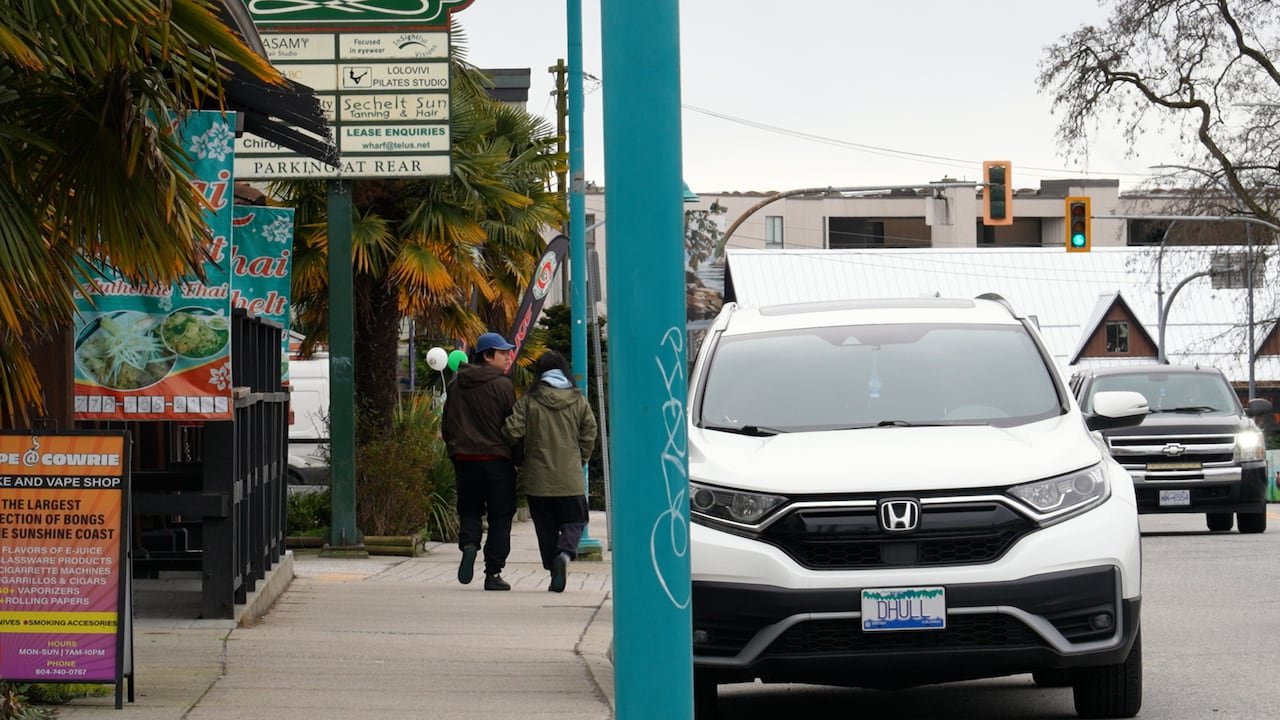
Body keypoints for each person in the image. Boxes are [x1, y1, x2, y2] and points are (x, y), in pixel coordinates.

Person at [502, 350, 598, 593]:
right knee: (576, 520)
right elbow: (590, 431)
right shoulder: (578, 400)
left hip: (537, 479)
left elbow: (511, 430)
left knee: (544, 526)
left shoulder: (529, 400)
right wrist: (581, 458)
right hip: (569, 477)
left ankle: (551, 565)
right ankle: (565, 554)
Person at [441, 332, 518, 591]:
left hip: (465, 459)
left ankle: (470, 544)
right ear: (487, 355)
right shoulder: (503, 385)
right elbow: (512, 425)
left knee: (470, 510)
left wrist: (454, 451)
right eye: (502, 353)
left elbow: (447, 425)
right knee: (500, 516)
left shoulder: (455, 385)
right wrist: (518, 456)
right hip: (497, 460)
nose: (508, 357)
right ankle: (493, 573)